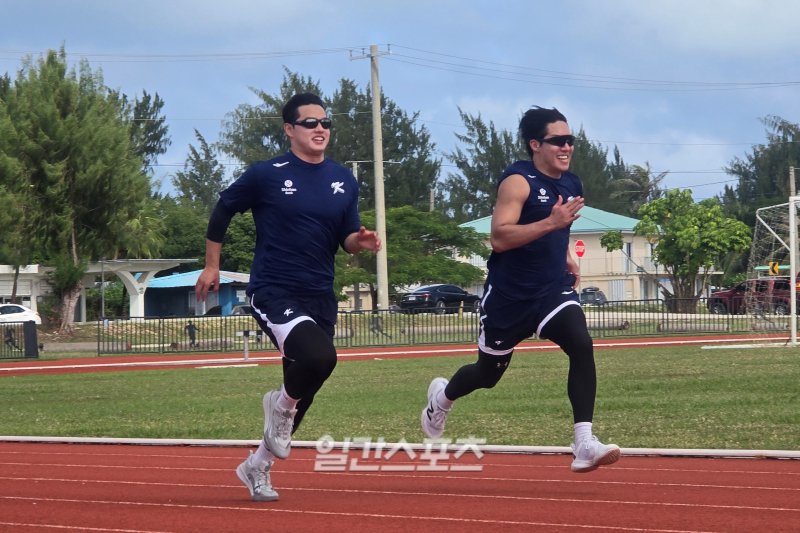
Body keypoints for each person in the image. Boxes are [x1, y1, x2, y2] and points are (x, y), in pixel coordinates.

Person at [195, 92, 381, 502]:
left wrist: (360, 241)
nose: (320, 129)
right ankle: (278, 405)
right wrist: (212, 266)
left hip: (320, 294)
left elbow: (345, 238)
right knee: (320, 359)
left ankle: (256, 466)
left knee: (307, 386)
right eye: (310, 122)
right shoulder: (267, 174)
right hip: (274, 289)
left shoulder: (344, 179)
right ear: (289, 129)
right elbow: (222, 210)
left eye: (326, 122)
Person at [421, 106, 620, 473]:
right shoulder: (517, 181)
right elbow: (499, 238)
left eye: (570, 140)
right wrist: (551, 222)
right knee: (487, 374)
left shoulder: (572, 183)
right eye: (558, 141)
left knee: (581, 342)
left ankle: (584, 443)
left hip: (551, 291)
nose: (567, 147)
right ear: (535, 144)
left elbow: (560, 229)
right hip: (509, 298)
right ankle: (441, 399)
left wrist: (565, 255)